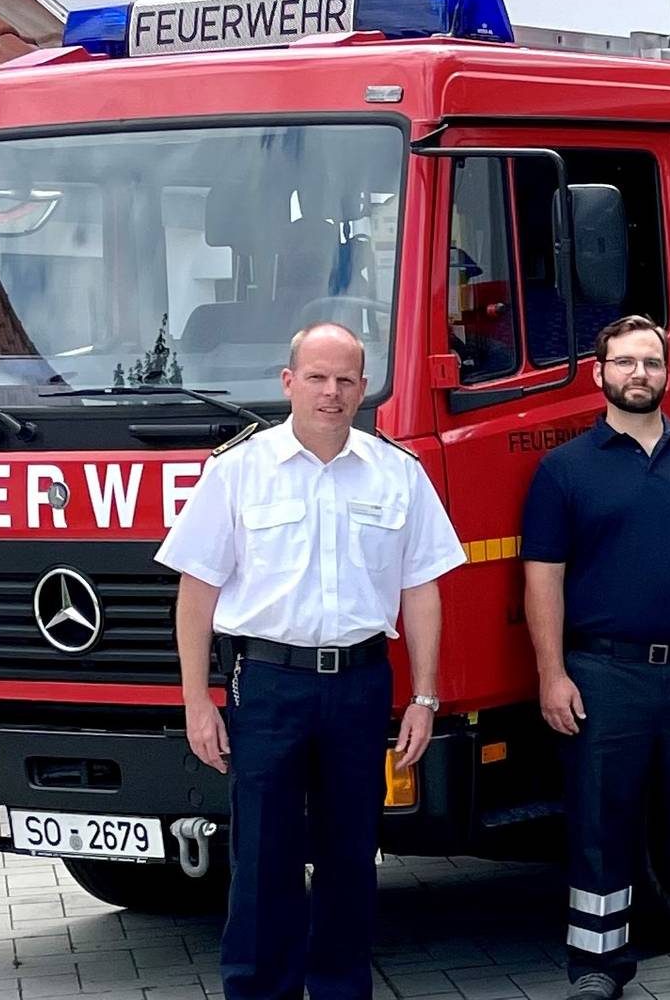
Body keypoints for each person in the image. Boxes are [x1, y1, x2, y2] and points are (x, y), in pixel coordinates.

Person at [160, 323, 464, 1000]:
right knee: (262, 858)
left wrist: (425, 697)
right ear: (289, 382)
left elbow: (421, 590)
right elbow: (196, 592)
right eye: (318, 377)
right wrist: (196, 701)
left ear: (363, 388)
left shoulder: (398, 473)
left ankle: (340, 991)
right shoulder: (238, 470)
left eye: (345, 380)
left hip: (361, 684)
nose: (332, 392)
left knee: (350, 856)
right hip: (269, 684)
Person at [519, 316, 670, 1000]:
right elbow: (543, 576)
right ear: (599, 372)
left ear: (666, 372)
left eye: (651, 362)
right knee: (602, 822)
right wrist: (551, 672)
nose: (639, 374)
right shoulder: (565, 469)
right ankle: (598, 964)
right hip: (605, 673)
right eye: (625, 362)